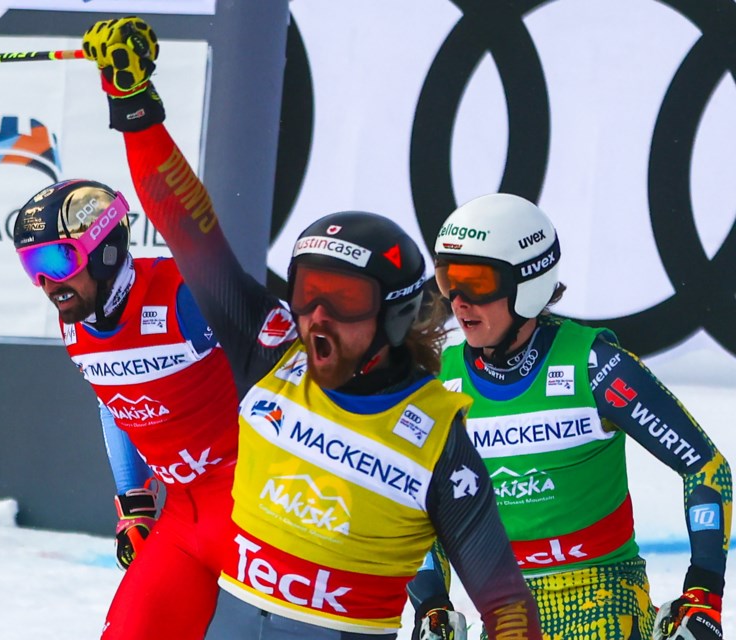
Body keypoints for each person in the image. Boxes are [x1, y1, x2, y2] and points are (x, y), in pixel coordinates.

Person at [81, 17, 542, 639]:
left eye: (345, 300)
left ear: (398, 313)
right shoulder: (272, 355)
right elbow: (190, 231)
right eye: (305, 294)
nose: (317, 317)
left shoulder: (439, 437)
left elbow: (505, 602)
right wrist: (134, 107)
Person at [406, 192, 731, 640]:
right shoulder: (444, 379)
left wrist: (703, 593)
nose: (458, 301)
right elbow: (413, 496)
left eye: (476, 282)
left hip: (607, 604)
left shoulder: (596, 366)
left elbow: (704, 465)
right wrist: (432, 606)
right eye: (448, 280)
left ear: (528, 282)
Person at [12, 179, 242, 639]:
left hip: (252, 510)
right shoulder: (75, 328)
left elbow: (285, 381)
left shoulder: (184, 297)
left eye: (58, 259)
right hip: (185, 519)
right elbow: (113, 401)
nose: (47, 282)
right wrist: (133, 501)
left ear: (106, 250)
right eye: (32, 265)